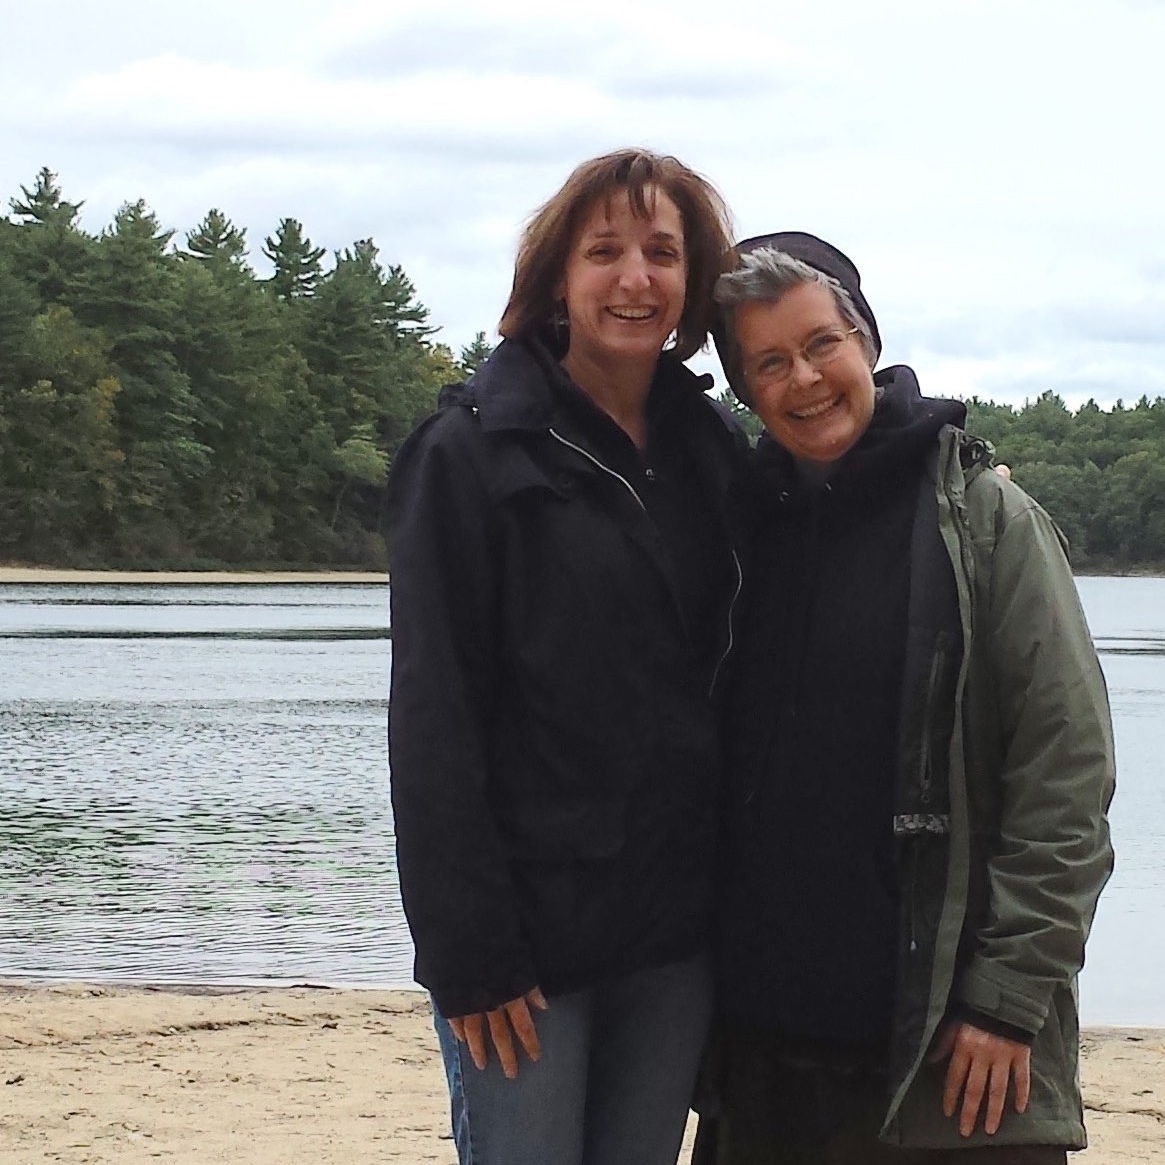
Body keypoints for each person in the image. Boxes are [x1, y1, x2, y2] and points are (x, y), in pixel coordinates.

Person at [694, 233, 1115, 1163]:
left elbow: (1067, 780)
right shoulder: (734, 531)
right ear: (745, 391)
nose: (802, 378)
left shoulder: (985, 521)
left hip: (953, 1064)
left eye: (820, 344)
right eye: (768, 362)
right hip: (761, 1073)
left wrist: (1004, 1000)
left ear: (866, 343)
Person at [386, 150, 747, 1165]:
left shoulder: (711, 451)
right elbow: (432, 719)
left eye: (662, 253)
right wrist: (468, 954)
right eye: (605, 252)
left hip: (674, 934)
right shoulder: (467, 455)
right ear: (556, 276)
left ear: (691, 284)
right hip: (524, 944)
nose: (635, 277)